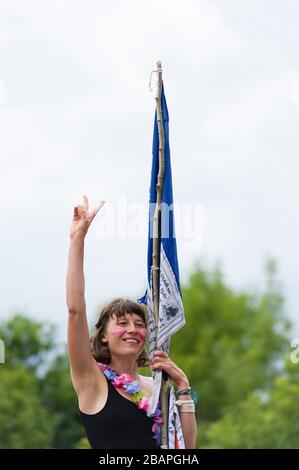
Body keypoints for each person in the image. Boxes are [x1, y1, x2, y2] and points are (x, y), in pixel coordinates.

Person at [66, 195, 197, 449]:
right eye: (123, 323)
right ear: (103, 335)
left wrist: (183, 385)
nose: (133, 330)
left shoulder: (157, 386)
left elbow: (186, 449)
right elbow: (75, 311)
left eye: (139, 324)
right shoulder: (90, 380)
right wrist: (77, 240)